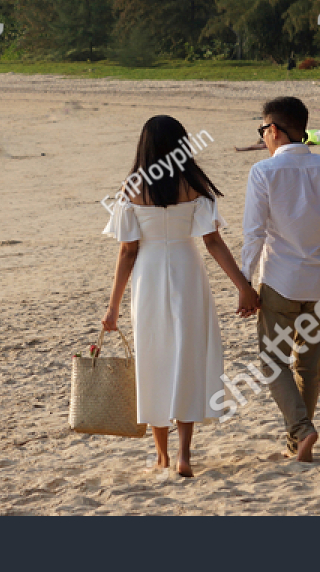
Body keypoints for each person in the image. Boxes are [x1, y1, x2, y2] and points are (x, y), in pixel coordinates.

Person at [101, 115, 256, 478]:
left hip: (150, 277)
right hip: (188, 273)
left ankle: (162, 457)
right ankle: (185, 454)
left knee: (154, 357)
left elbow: (127, 251)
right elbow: (213, 241)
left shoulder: (133, 188)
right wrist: (243, 286)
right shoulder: (195, 183)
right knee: (186, 356)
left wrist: (112, 308)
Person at [242, 96, 320, 464]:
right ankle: (296, 438)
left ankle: (301, 430)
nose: (263, 137)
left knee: (271, 360)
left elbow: (254, 236)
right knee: (308, 366)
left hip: (280, 280)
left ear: (275, 130)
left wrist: (245, 284)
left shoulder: (263, 172)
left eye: (263, 130)